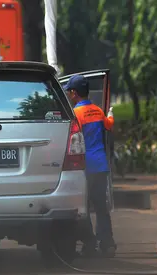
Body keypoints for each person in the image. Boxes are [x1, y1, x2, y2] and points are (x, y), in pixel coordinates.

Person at [64, 74, 117, 257]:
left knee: (83, 208)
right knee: (101, 207)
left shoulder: (76, 114)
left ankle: (89, 244)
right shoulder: (97, 110)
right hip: (101, 165)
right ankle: (107, 243)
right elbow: (108, 126)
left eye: (70, 92)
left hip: (85, 168)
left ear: (74, 93)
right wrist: (110, 115)